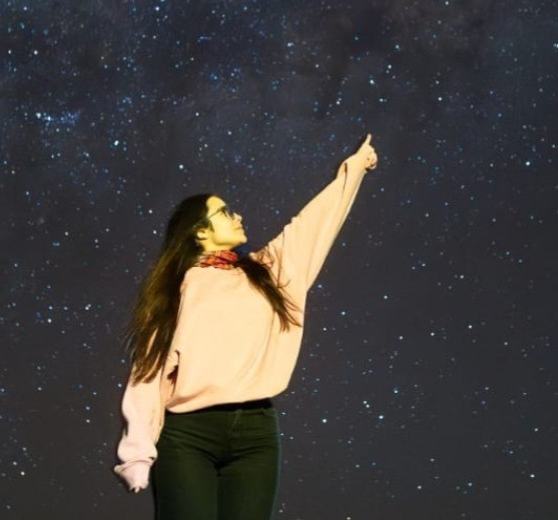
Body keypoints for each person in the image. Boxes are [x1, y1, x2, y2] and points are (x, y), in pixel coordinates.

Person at [112, 133, 379, 520]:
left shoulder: (268, 271)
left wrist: (352, 171)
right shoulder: (175, 288)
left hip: (256, 433)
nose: (238, 216)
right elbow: (148, 373)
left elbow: (312, 226)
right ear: (200, 231)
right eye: (224, 212)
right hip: (189, 433)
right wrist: (138, 451)